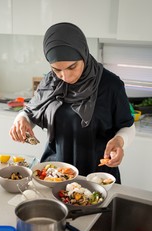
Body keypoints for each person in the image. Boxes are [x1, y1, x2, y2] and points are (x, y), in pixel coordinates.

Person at [9, 22, 135, 184]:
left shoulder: (111, 85)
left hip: (97, 178)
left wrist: (119, 141)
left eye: (72, 67)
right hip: (53, 175)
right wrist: (21, 119)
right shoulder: (50, 81)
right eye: (56, 69)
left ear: (83, 53)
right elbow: (31, 113)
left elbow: (128, 126)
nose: (65, 77)